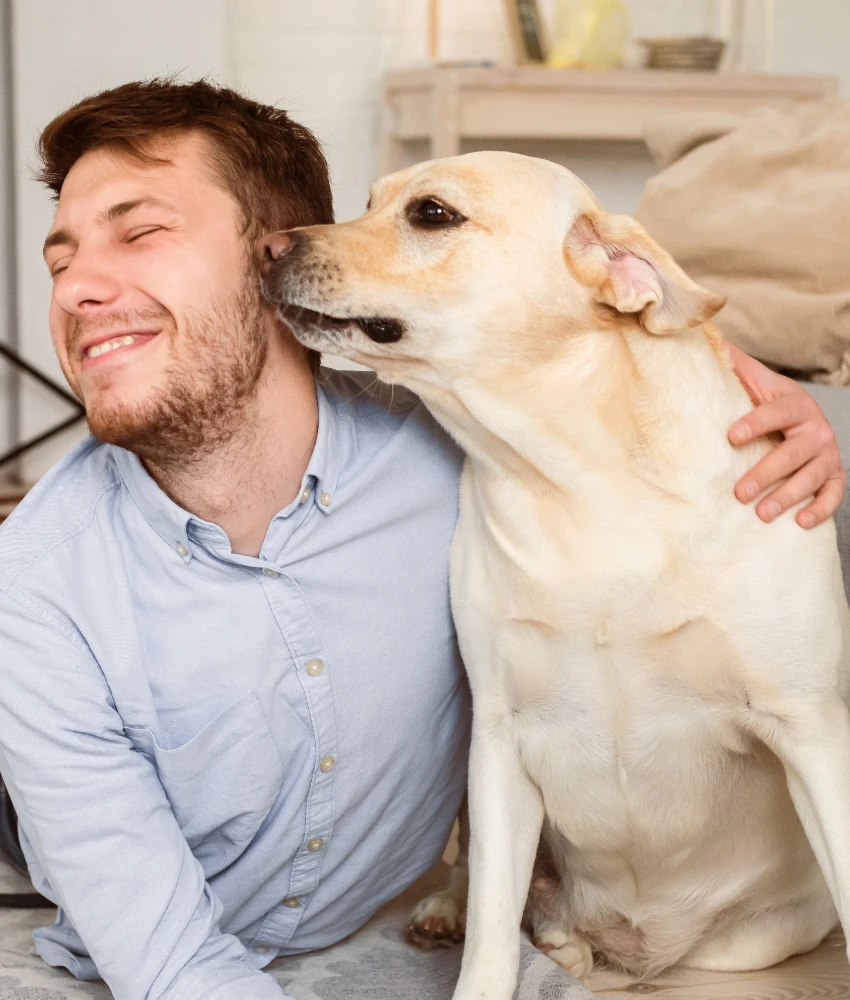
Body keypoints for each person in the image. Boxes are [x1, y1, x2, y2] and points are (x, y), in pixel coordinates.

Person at [0, 79, 842, 1000]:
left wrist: (797, 417)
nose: (77, 287)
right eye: (62, 259)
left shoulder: (464, 442)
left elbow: (615, 376)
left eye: (139, 231)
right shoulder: (36, 593)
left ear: (275, 254)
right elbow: (172, 967)